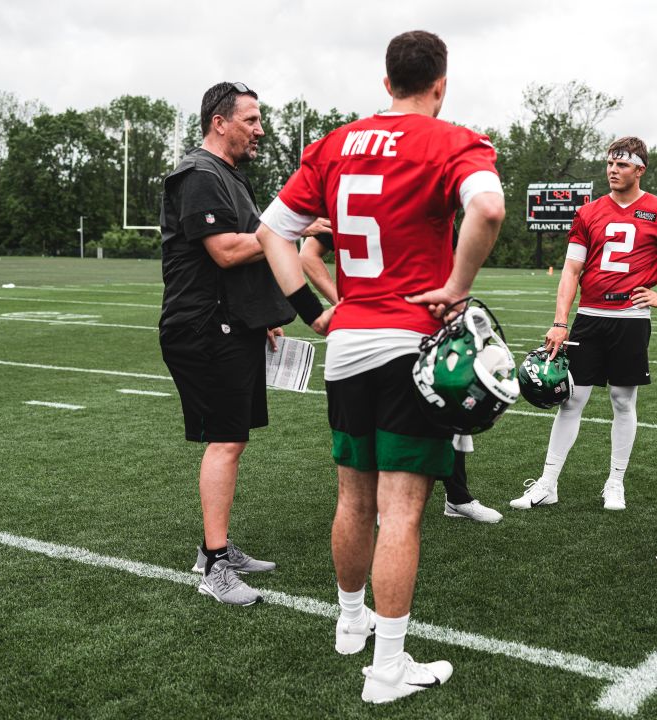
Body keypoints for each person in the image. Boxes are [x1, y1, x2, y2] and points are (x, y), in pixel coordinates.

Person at [254, 30, 505, 704]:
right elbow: (487, 207)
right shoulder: (453, 139)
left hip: (349, 342)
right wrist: (456, 284)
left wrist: (311, 308)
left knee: (352, 497)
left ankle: (348, 622)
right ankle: (388, 669)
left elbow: (271, 231)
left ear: (387, 79)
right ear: (440, 83)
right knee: (400, 513)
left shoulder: (334, 145)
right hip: (408, 344)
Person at [159, 81, 311, 606]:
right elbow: (225, 251)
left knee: (234, 438)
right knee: (224, 441)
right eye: (251, 119)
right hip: (202, 328)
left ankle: (214, 549)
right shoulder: (198, 174)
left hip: (232, 323)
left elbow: (246, 253)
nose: (260, 129)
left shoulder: (228, 176)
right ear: (219, 122)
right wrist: (290, 227)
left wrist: (263, 313)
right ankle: (215, 566)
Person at [510, 136, 657, 512]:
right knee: (572, 399)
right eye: (610, 164)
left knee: (622, 399)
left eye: (621, 164)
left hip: (630, 320)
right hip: (590, 317)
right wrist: (559, 321)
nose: (613, 170)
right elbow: (571, 269)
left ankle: (615, 482)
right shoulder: (588, 212)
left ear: (639, 169)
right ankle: (548, 482)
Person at [302, 228, 502, 522]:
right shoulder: (355, 192)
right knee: (388, 414)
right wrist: (341, 302)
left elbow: (457, 249)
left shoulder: (427, 197)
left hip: (424, 322)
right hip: (373, 329)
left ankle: (457, 496)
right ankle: (386, 498)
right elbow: (306, 253)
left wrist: (452, 296)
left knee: (450, 400)